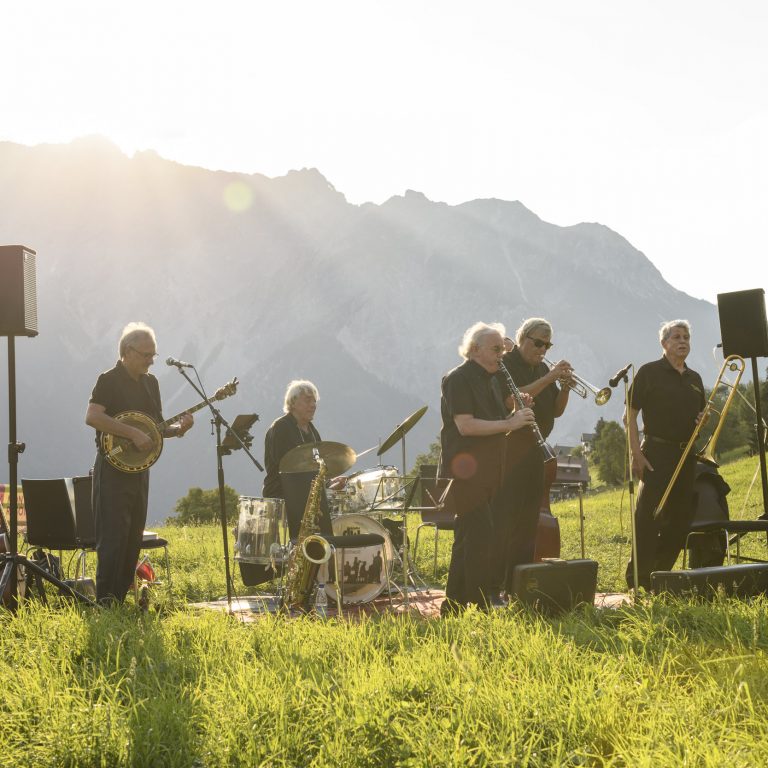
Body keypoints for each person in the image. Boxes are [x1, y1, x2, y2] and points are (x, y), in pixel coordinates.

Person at [85, 323, 193, 605]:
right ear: (128, 351)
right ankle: (105, 602)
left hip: (139, 470)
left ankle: (119, 599)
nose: (151, 361)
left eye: (153, 355)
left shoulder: (151, 383)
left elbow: (154, 429)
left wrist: (178, 429)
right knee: (112, 538)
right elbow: (93, 417)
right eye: (146, 355)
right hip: (112, 470)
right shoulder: (108, 379)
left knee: (133, 537)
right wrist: (130, 432)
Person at [439, 322, 535, 614]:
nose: (501, 355)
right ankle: (479, 604)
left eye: (502, 350)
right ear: (475, 349)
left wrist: (514, 412)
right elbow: (466, 425)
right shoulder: (458, 378)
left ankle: (453, 605)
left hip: (490, 469)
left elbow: (492, 421)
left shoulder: (493, 379)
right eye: (496, 349)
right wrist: (511, 423)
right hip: (466, 470)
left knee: (468, 537)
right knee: (481, 534)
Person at [491, 318, 572, 598]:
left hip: (538, 449)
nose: (543, 349)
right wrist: (550, 378)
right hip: (511, 448)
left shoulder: (543, 367)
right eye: (538, 343)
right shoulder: (506, 364)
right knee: (507, 518)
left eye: (547, 345)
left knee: (528, 521)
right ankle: (497, 583)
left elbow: (557, 411)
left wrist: (566, 389)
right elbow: (513, 400)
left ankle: (518, 583)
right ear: (523, 337)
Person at [625, 320, 706, 589]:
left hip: (686, 454)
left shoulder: (695, 378)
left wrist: (701, 421)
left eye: (686, 337)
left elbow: (699, 417)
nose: (682, 341)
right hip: (656, 451)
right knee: (648, 516)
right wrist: (635, 455)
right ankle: (637, 579)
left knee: (680, 519)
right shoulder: (648, 372)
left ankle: (660, 576)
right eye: (676, 337)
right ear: (664, 343)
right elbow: (630, 417)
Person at [263, 380, 332, 539]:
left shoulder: (313, 431)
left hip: (307, 495)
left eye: (314, 401)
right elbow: (287, 468)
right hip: (282, 495)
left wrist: (329, 483)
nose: (313, 405)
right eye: (308, 400)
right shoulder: (281, 427)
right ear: (293, 403)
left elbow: (316, 468)